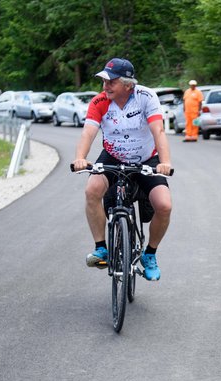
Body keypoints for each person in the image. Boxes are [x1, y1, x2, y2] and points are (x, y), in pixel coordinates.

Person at [72, 58, 173, 281]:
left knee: (164, 205)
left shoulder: (145, 98)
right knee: (92, 191)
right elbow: (88, 133)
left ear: (128, 84)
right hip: (113, 156)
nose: (105, 86)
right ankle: (101, 248)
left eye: (111, 82)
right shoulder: (99, 101)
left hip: (146, 158)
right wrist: (80, 158)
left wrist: (164, 162)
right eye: (103, 81)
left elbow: (158, 131)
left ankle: (149, 255)